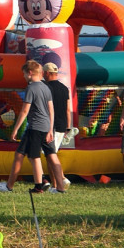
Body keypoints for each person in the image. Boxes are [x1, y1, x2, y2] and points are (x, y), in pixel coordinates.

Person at [0, 61, 66, 193]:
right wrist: (50, 129)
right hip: (46, 126)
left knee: (34, 156)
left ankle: (39, 185)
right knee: (50, 155)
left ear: (30, 73)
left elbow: (24, 111)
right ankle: (60, 187)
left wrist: (15, 129)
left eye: (24, 74)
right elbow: (51, 110)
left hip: (35, 127)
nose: (24, 76)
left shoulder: (31, 88)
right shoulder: (46, 87)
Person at [42, 62, 73, 191]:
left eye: (44, 73)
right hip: (61, 126)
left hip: (50, 125)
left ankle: (59, 180)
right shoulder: (64, 88)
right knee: (52, 154)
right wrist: (68, 126)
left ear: (47, 73)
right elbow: (67, 109)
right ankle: (57, 182)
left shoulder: (46, 87)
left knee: (50, 155)